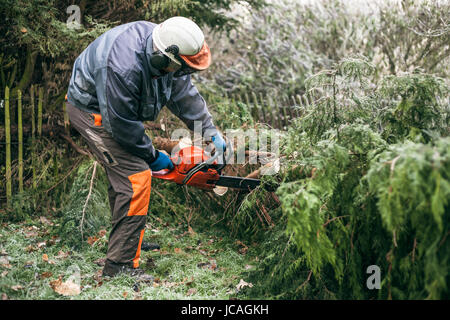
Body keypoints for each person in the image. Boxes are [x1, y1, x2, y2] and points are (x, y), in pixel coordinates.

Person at [66, 16, 227, 277]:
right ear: (165, 59)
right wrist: (153, 158)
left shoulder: (167, 49)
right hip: (91, 112)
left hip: (116, 113)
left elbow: (184, 94)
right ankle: (119, 265)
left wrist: (209, 131)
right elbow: (120, 124)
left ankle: (130, 241)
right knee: (135, 176)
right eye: (181, 67)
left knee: (127, 179)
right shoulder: (122, 67)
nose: (183, 73)